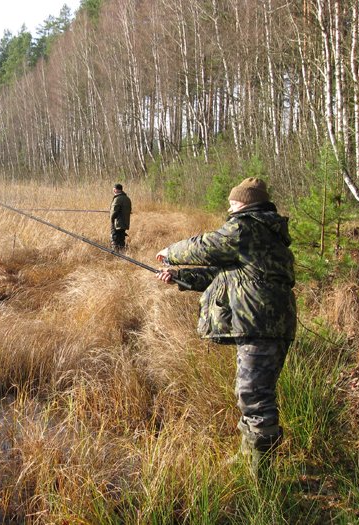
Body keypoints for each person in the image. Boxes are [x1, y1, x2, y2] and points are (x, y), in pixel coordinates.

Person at [154, 177, 296, 477]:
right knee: (249, 392)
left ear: (244, 202)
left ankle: (262, 475)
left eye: (233, 201)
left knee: (255, 396)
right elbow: (222, 276)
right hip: (267, 325)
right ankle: (248, 457)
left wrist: (171, 251)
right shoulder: (264, 234)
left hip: (260, 326)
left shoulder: (248, 227)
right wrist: (178, 276)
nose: (229, 206)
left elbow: (206, 246)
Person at [110, 183, 132, 252]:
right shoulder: (127, 199)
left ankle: (116, 254)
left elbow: (114, 212)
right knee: (121, 239)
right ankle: (123, 253)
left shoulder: (117, 199)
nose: (113, 191)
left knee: (115, 240)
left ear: (116, 190)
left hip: (117, 223)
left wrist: (111, 220)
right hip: (124, 223)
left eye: (114, 189)